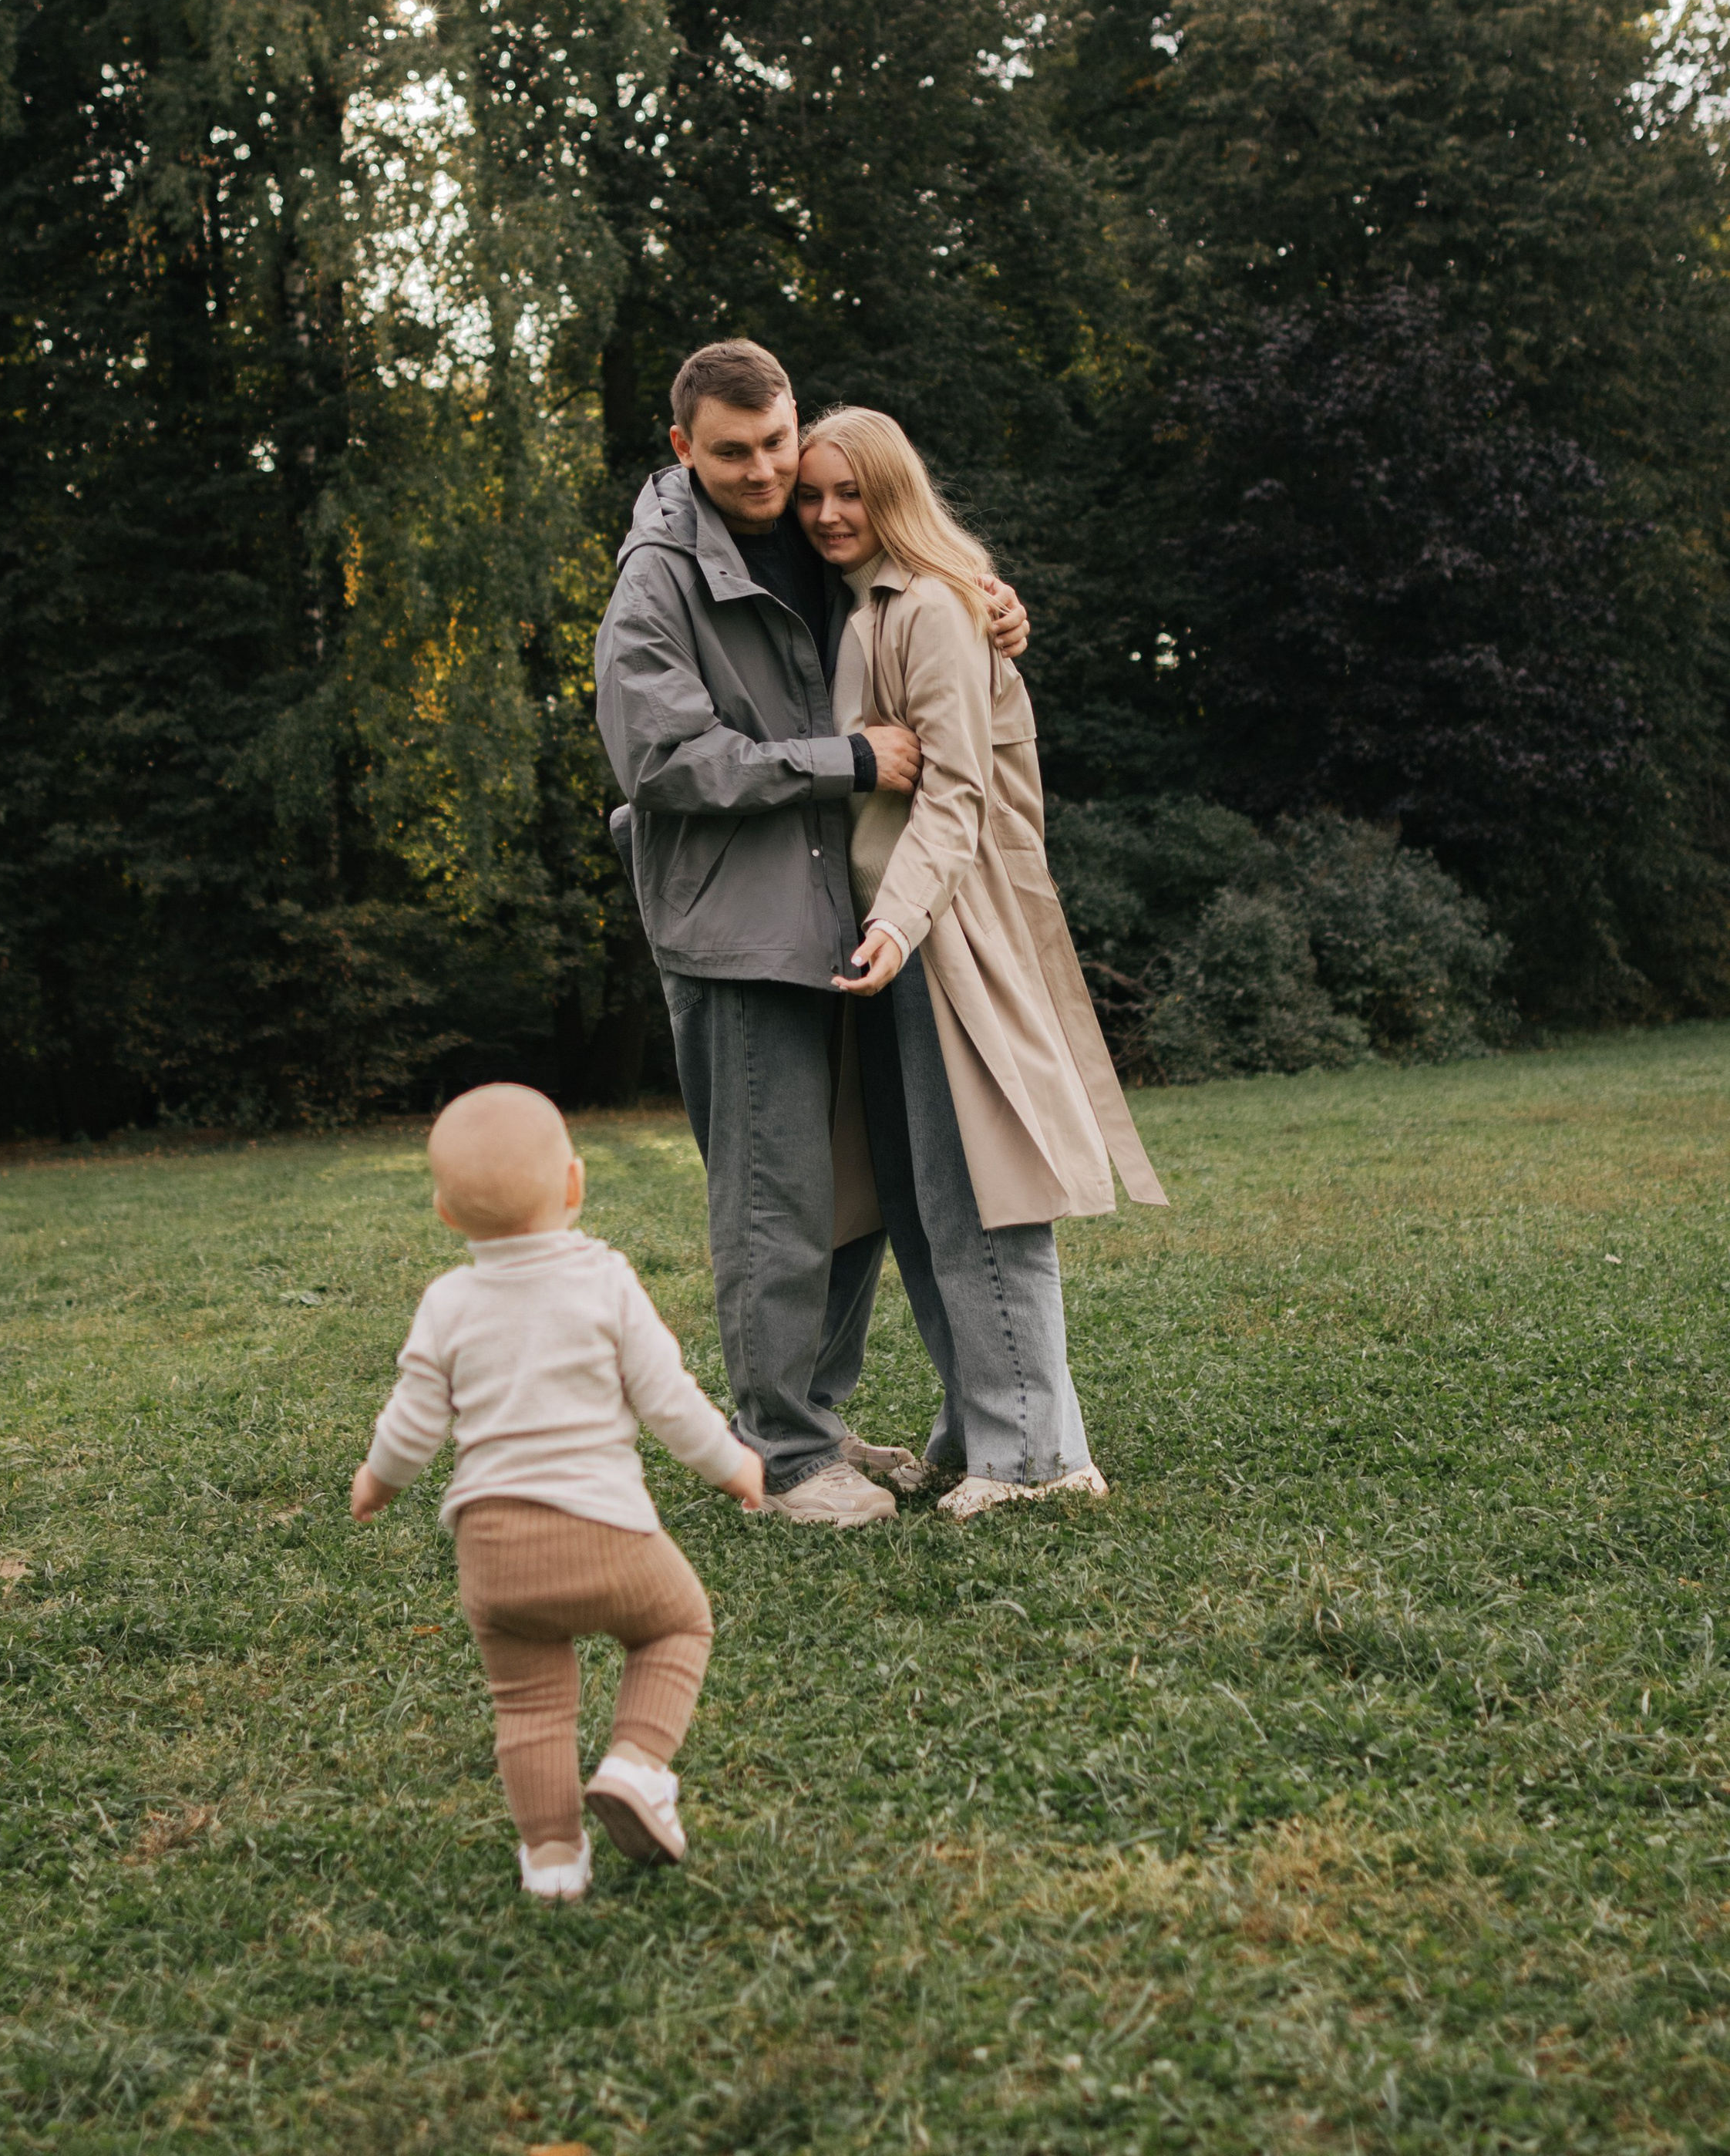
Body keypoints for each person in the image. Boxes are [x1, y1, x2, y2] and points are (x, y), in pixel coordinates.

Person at [591, 339, 1032, 1530]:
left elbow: (906, 605)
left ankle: (813, 1426)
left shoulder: (801, 531)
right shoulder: (658, 578)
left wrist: (985, 599)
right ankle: (780, 1461)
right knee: (774, 1196)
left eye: (777, 442)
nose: (765, 469)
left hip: (837, 913)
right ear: (682, 446)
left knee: (848, 1195)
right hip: (736, 923)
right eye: (733, 452)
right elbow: (661, 760)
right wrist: (844, 762)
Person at [793, 405, 1169, 1521]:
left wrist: (898, 924)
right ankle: (981, 1430)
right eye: (812, 494)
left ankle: (1042, 1459)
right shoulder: (867, 600)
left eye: (848, 493)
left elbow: (956, 796)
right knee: (921, 1199)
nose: (825, 513)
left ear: (894, 491)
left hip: (943, 931)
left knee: (982, 1195)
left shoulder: (940, 608)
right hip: (889, 942)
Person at [350, 1083, 763, 1902]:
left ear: (445, 1214)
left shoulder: (448, 1303)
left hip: (493, 1552)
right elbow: (668, 1399)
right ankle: (636, 1765)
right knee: (678, 1625)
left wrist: (374, 1483)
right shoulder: (604, 1282)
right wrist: (731, 1464)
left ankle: (550, 1858)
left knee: (530, 1706)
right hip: (605, 1530)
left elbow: (410, 1425)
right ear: (574, 1185)